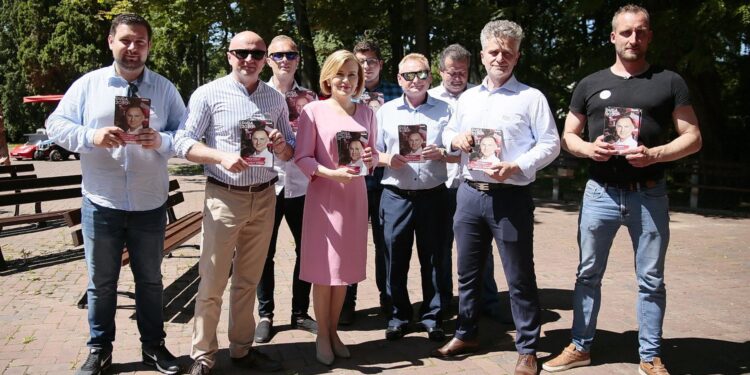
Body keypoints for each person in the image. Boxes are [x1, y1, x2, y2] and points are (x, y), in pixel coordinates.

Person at [542, 6, 701, 375]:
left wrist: (655, 155)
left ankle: (650, 355)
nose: (634, 38)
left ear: (649, 36)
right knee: (587, 273)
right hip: (600, 193)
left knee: (651, 279)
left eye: (641, 32)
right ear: (613, 36)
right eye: (626, 32)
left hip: (650, 193)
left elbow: (693, 137)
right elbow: (569, 136)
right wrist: (587, 149)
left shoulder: (670, 82)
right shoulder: (589, 83)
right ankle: (580, 347)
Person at [46, 13, 185, 375]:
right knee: (102, 283)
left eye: (140, 41)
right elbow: (55, 125)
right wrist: (90, 137)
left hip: (149, 202)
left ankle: (153, 347)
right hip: (101, 201)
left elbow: (185, 135)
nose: (133, 48)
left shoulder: (165, 88)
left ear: (149, 46)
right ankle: (99, 349)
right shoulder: (88, 86)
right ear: (111, 42)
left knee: (150, 281)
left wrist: (162, 140)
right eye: (126, 40)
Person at [435, 20, 560, 375]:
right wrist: (454, 140)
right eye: (494, 51)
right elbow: (449, 131)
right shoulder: (468, 98)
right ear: (482, 54)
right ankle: (466, 332)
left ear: (517, 56)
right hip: (469, 194)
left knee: (519, 275)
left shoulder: (531, 98)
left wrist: (517, 165)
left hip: (510, 196)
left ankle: (527, 347)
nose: (500, 57)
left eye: (508, 52)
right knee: (468, 273)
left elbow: (551, 143)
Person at [174, 30, 295, 375]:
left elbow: (288, 150)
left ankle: (241, 350)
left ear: (265, 59)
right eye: (242, 52)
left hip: (265, 196)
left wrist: (279, 146)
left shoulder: (274, 99)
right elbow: (183, 141)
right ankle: (203, 355)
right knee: (212, 281)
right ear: (229, 55)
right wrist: (220, 156)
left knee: (248, 281)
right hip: (224, 197)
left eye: (257, 54)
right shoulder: (209, 94)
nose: (250, 59)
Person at [294, 49, 378, 366]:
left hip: (354, 197)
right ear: (329, 77)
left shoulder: (367, 113)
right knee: (323, 271)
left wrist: (370, 160)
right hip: (324, 198)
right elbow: (302, 157)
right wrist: (330, 173)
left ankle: (333, 332)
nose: (346, 80)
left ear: (359, 79)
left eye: (352, 74)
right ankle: (322, 336)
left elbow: (371, 155)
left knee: (343, 273)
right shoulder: (313, 112)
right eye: (340, 74)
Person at [376, 53, 452, 342]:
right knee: (395, 258)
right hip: (396, 195)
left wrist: (443, 153)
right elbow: (372, 152)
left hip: (434, 196)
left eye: (421, 74)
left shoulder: (446, 110)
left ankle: (432, 316)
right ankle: (399, 316)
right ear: (399, 79)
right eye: (409, 75)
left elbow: (460, 153)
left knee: (433, 259)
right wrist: (387, 159)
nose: (416, 80)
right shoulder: (385, 111)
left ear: (430, 77)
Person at [429, 44, 507, 323]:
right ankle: (444, 302)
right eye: (452, 72)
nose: (457, 78)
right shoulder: (429, 98)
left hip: (473, 183)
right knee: (441, 248)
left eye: (462, 72)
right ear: (440, 72)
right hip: (440, 183)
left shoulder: (480, 96)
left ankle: (487, 301)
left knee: (480, 249)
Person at [254, 34, 317, 344]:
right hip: (266, 183)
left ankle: (300, 312)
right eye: (277, 55)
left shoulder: (311, 98)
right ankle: (265, 315)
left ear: (297, 59)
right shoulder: (257, 95)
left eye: (290, 55)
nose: (284, 60)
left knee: (306, 251)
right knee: (263, 253)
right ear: (268, 60)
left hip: (302, 186)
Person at [341, 40, 402, 324]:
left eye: (372, 61)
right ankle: (346, 303)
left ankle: (388, 299)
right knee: (351, 241)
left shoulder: (395, 92)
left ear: (381, 63)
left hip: (386, 179)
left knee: (385, 243)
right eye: (361, 62)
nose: (367, 66)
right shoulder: (345, 92)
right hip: (353, 178)